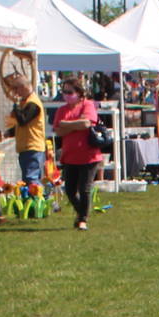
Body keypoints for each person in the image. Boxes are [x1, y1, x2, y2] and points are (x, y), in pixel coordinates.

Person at [52, 78, 105, 229]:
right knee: (69, 190)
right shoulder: (61, 110)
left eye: (70, 92)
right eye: (64, 92)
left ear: (79, 93)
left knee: (84, 189)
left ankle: (82, 219)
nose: (66, 95)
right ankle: (81, 213)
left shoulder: (87, 105)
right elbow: (58, 130)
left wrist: (67, 124)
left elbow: (87, 123)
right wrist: (76, 125)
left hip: (89, 156)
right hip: (69, 156)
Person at [3, 74, 45, 189]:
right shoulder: (26, 103)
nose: (15, 93)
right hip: (25, 147)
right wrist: (10, 132)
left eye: (16, 89)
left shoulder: (33, 104)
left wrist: (16, 106)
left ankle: (41, 202)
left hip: (33, 147)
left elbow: (23, 120)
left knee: (31, 179)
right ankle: (36, 202)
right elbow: (23, 125)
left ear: (24, 86)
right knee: (28, 179)